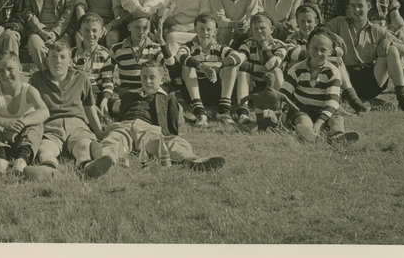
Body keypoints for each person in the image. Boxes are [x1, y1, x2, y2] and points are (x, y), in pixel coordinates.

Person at [95, 62, 226, 171]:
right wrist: (102, 104)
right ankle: (104, 160)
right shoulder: (130, 95)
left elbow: (174, 119)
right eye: (144, 77)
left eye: (152, 77)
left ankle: (194, 160)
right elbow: (113, 107)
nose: (147, 81)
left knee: (173, 143)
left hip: (148, 129)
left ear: (162, 79)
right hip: (125, 126)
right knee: (114, 139)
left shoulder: (166, 98)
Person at [325, 0, 404, 111]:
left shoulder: (377, 30)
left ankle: (403, 99)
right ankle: (351, 98)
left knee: (393, 50)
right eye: (353, 6)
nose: (356, 10)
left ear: (368, 7)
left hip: (371, 80)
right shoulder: (340, 23)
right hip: (346, 79)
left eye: (360, 6)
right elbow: (319, 31)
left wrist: (390, 41)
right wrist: (333, 36)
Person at [25, 41, 106, 180]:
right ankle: (49, 169)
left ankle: (87, 165)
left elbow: (89, 108)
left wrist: (99, 132)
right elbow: (29, 108)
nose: (58, 61)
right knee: (45, 148)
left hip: (77, 124)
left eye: (63, 57)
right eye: (54, 57)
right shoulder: (37, 79)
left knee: (83, 145)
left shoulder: (81, 78)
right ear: (47, 59)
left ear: (70, 60)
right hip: (50, 125)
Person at [0, 53, 50, 174]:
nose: (6, 74)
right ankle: (1, 159)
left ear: (20, 69)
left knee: (35, 121)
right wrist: (2, 122)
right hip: (1, 140)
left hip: (23, 139)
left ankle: (21, 160)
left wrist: (20, 124)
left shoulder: (28, 90)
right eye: (1, 71)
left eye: (10, 69)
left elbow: (45, 112)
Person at [281, 29, 362, 144]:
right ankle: (309, 134)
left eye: (323, 50)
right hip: (303, 108)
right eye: (314, 48)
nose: (318, 53)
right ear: (308, 47)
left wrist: (320, 121)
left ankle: (338, 135)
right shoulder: (297, 69)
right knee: (303, 120)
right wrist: (282, 110)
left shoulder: (332, 72)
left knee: (337, 119)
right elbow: (284, 92)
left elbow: (333, 101)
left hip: (324, 109)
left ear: (330, 52)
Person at [174, 12, 245, 126]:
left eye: (209, 29)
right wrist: (201, 67)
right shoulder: (188, 46)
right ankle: (199, 112)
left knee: (230, 65)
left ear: (215, 31)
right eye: (201, 29)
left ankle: (223, 111)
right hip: (195, 92)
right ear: (195, 29)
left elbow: (239, 56)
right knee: (187, 65)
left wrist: (219, 64)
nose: (205, 33)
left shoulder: (220, 48)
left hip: (217, 92)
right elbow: (180, 56)